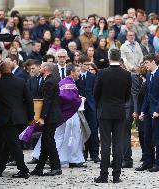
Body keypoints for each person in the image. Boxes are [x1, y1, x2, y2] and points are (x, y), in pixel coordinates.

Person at [0, 62, 34, 178]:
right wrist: (30, 117)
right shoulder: (20, 81)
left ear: (0, 71)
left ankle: (23, 170)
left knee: (13, 144)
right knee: (8, 143)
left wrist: (0, 108)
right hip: (20, 118)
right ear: (11, 70)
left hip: (6, 119)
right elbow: (29, 100)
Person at [93, 49, 131, 183]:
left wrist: (101, 104)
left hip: (105, 111)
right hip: (120, 111)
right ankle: (116, 176)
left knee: (105, 145)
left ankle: (103, 175)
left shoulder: (102, 73)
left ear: (109, 58)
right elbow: (127, 95)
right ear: (120, 58)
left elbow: (95, 93)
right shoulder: (126, 74)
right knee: (118, 144)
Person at [136, 53, 159, 172]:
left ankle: (158, 164)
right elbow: (147, 95)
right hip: (149, 110)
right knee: (147, 137)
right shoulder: (149, 74)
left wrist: (158, 110)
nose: (145, 65)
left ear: (153, 62)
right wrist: (142, 111)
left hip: (156, 111)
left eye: (146, 63)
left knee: (157, 137)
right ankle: (148, 162)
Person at [30, 62, 63, 176]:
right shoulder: (50, 79)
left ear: (45, 68)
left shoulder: (49, 81)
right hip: (52, 115)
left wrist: (42, 117)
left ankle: (56, 167)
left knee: (49, 142)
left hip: (50, 116)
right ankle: (39, 168)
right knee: (45, 142)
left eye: (40, 66)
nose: (39, 68)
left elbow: (47, 101)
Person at [55, 63, 88, 168]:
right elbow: (70, 99)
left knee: (60, 136)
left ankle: (54, 157)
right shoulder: (70, 83)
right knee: (74, 136)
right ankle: (74, 160)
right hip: (71, 114)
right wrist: (81, 99)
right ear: (72, 72)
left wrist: (77, 97)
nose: (79, 73)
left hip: (62, 114)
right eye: (77, 71)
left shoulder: (64, 82)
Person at [76, 55, 100, 163]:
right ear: (80, 64)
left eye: (88, 64)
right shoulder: (76, 76)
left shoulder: (92, 76)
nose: (87, 66)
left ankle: (95, 154)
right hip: (80, 107)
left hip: (91, 106)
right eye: (85, 64)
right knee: (81, 130)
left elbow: (96, 92)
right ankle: (83, 154)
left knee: (93, 130)